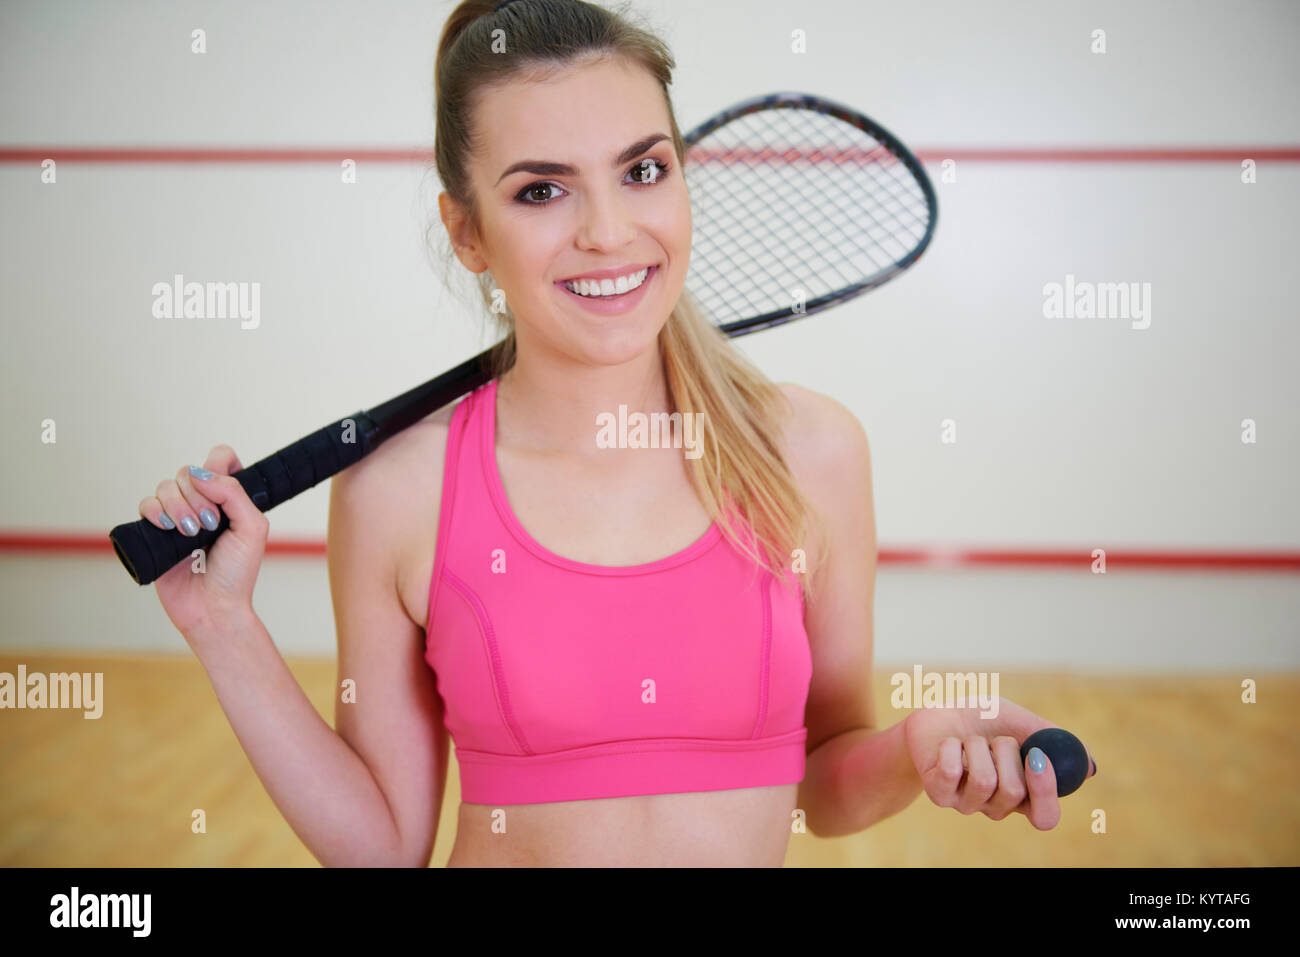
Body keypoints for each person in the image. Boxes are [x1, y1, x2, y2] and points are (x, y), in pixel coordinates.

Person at [139, 0, 1095, 867]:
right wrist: (223, 626)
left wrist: (920, 746)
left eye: (643, 170)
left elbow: (825, 780)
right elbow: (383, 847)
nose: (609, 231)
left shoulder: (812, 453)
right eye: (541, 191)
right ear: (466, 232)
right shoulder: (399, 486)